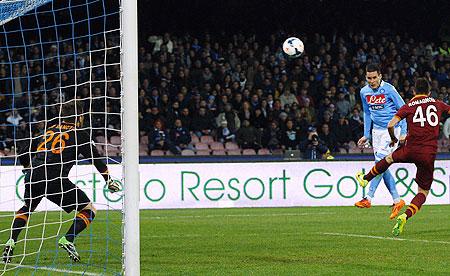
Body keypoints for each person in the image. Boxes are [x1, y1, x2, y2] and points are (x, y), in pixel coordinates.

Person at [2, 100, 119, 263]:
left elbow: (24, 150)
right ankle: (68, 239)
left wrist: (28, 166)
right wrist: (108, 180)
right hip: (55, 178)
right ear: (80, 116)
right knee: (88, 209)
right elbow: (96, 160)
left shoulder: (49, 130)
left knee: (27, 207)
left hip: (33, 176)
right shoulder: (79, 134)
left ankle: (11, 241)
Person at [356, 78, 450, 236]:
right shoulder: (438, 104)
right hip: (428, 154)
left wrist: (394, 138)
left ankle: (366, 179)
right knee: (423, 192)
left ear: (414, 91)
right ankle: (405, 216)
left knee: (388, 159)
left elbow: (391, 124)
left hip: (410, 149)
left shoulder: (409, 106)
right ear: (429, 92)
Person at [354, 63, 407, 220]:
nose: (371, 81)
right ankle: (397, 200)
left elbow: (403, 109)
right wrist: (367, 135)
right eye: (369, 78)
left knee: (380, 164)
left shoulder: (389, 89)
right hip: (376, 132)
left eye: (374, 77)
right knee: (381, 165)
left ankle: (368, 197)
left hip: (392, 130)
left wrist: (404, 132)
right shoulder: (364, 92)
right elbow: (367, 113)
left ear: (380, 76)